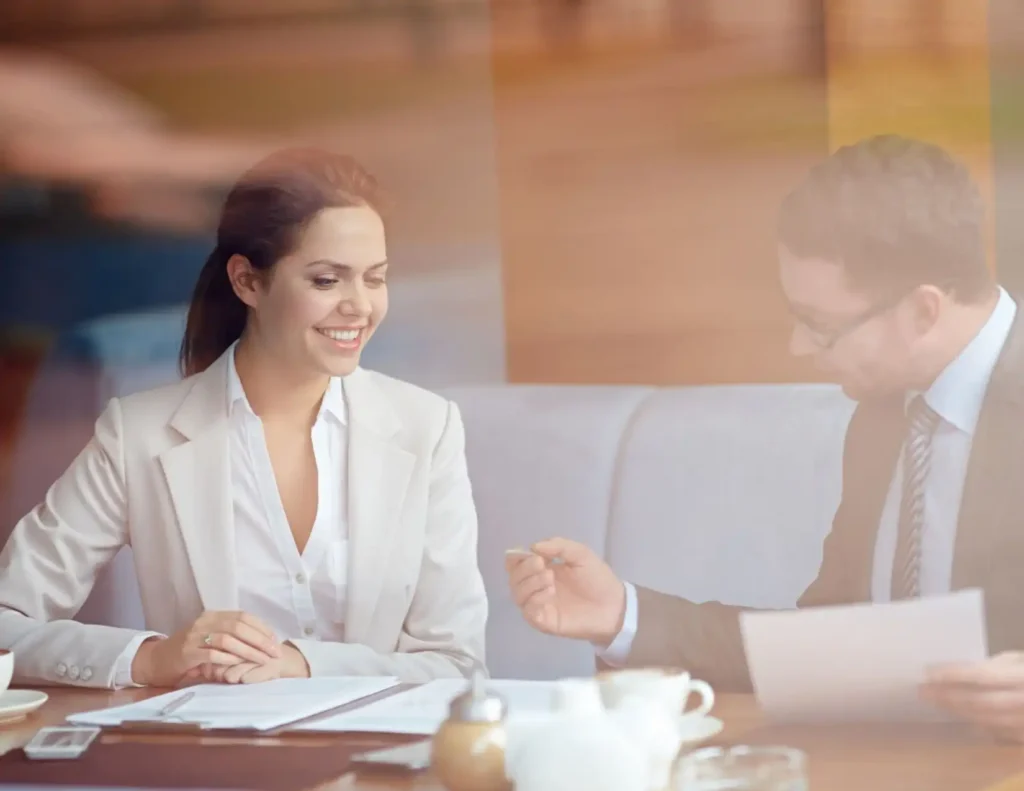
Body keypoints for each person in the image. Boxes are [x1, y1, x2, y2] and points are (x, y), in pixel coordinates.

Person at [506, 135, 1024, 741]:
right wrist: (622, 615)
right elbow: (826, 645)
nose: (799, 348)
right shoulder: (889, 416)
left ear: (923, 312)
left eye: (821, 326)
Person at [0, 147, 488, 688]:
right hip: (212, 762)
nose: (359, 306)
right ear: (247, 282)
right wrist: (151, 658)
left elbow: (458, 663)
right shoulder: (136, 435)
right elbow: (6, 626)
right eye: (327, 281)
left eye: (375, 278)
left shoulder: (427, 428)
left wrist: (302, 665)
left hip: (373, 763)